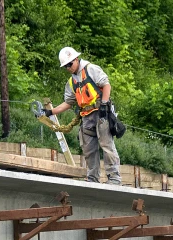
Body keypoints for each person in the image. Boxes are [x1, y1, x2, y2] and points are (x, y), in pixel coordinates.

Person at [39, 47, 121, 185]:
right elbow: (68, 102)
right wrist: (50, 112)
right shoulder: (72, 82)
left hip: (101, 113)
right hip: (86, 117)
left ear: (76, 59)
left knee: (106, 145)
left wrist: (104, 105)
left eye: (70, 64)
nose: (68, 68)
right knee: (88, 149)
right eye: (65, 66)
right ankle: (93, 178)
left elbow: (106, 85)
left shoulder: (91, 69)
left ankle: (114, 178)